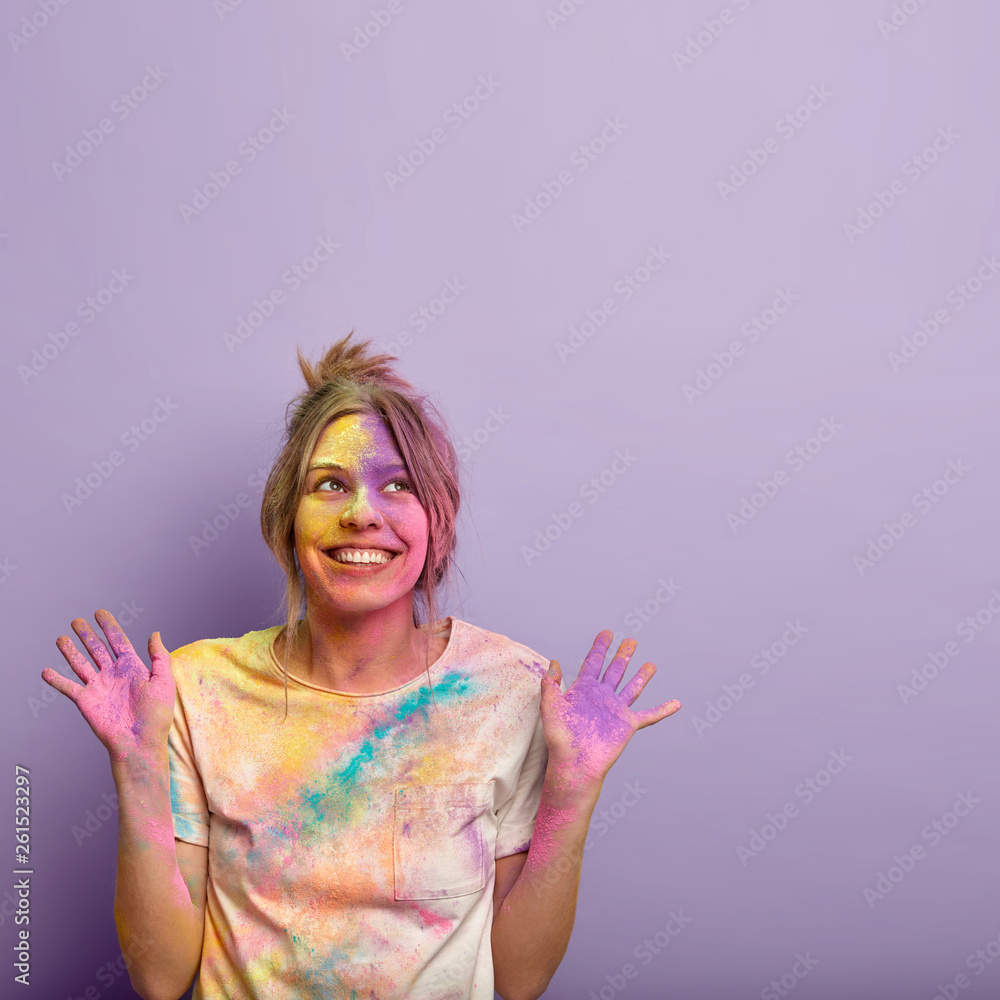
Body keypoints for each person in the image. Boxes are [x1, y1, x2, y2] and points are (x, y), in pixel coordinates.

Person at [42, 333, 681, 1000]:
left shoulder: (510, 690)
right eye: (330, 485)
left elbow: (520, 979)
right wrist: (137, 766)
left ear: (437, 520)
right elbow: (159, 976)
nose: (361, 514)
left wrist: (572, 791)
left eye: (398, 485)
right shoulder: (194, 690)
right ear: (287, 517)